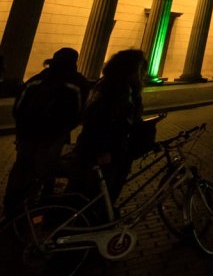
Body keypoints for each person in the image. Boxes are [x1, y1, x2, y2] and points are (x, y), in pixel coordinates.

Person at [4, 48, 91, 217]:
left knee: (22, 167)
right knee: (47, 169)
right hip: (54, 135)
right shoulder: (77, 83)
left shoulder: (36, 80)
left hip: (27, 133)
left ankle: (13, 205)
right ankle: (42, 204)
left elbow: (18, 108)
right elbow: (80, 112)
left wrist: (22, 130)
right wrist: (65, 128)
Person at [73, 49, 149, 203]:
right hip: (107, 152)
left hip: (110, 148)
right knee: (100, 193)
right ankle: (95, 221)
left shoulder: (109, 85)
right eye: (142, 69)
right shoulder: (117, 90)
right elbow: (102, 121)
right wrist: (102, 150)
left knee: (100, 192)